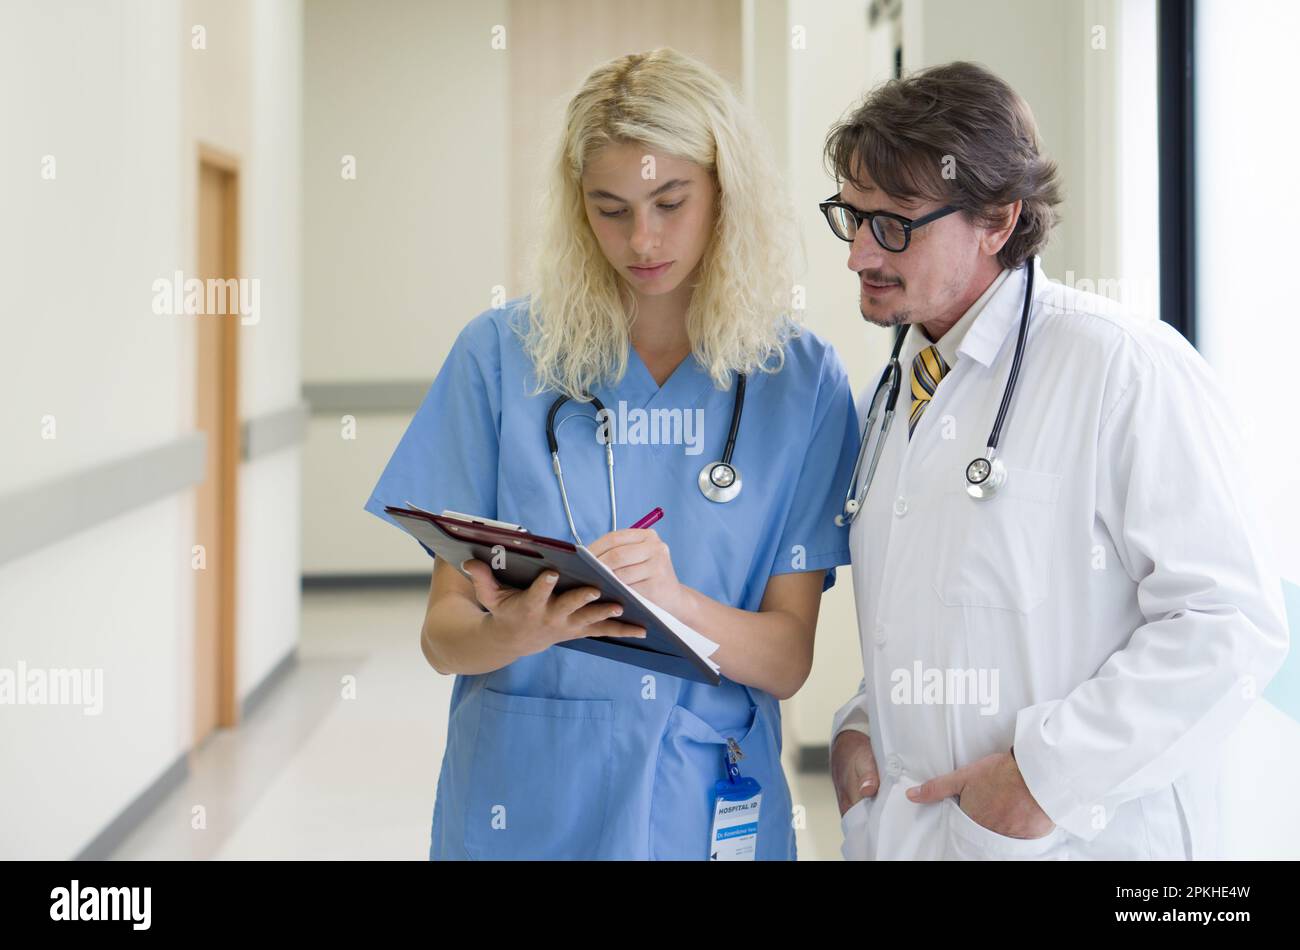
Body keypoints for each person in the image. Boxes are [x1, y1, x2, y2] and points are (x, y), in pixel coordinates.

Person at [364, 48, 859, 860]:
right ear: (577, 209)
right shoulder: (500, 356)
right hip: (526, 795)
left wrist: (675, 601)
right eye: (610, 209)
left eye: (670, 201)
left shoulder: (796, 379)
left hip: (703, 793)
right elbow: (443, 634)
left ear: (724, 192)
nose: (643, 239)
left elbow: (786, 658)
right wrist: (518, 630)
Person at [822, 61, 1288, 860]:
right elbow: (942, 609)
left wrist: (1040, 780)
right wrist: (861, 727)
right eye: (852, 216)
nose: (861, 255)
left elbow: (1228, 623)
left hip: (1076, 840)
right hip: (910, 831)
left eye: (896, 222)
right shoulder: (895, 389)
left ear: (998, 219)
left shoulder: (1122, 366)